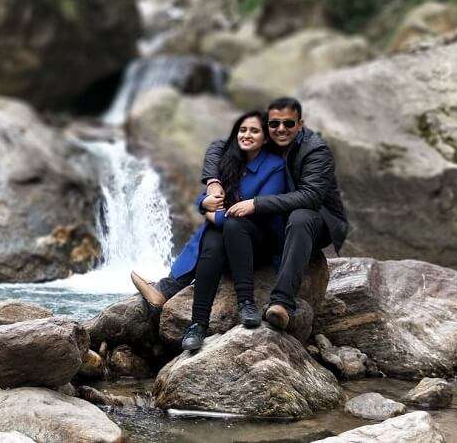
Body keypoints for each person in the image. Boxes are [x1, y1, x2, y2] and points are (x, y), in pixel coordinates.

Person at [132, 97, 348, 335]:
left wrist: (254, 204)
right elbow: (219, 147)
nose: (281, 129)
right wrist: (213, 184)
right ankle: (181, 303)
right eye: (274, 124)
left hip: (316, 219)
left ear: (300, 124)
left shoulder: (315, 150)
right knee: (217, 234)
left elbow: (311, 197)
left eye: (288, 124)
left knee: (299, 217)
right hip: (269, 220)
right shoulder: (267, 143)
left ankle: (282, 303)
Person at [131, 110, 286, 350]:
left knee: (229, 226)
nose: (247, 135)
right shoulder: (230, 160)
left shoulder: (275, 166)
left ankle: (246, 303)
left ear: (265, 138)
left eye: (254, 131)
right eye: (242, 130)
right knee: (213, 242)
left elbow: (261, 209)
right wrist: (204, 204)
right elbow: (206, 199)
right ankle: (198, 324)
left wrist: (216, 215)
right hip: (227, 236)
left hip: (259, 240)